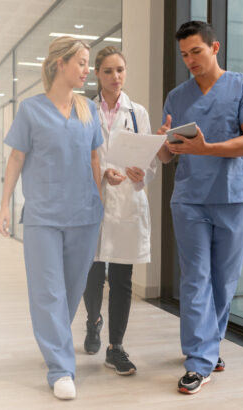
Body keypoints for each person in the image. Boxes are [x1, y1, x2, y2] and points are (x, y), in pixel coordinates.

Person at [157, 21, 243, 394]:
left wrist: (207, 149)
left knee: (224, 281)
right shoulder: (176, 96)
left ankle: (209, 344)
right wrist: (162, 145)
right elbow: (168, 157)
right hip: (189, 198)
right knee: (194, 278)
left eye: (196, 52)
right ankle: (199, 360)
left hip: (232, 196)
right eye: (184, 54)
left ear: (215, 47)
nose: (190, 60)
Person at [0, 36, 103, 400]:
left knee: (70, 293)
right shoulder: (31, 110)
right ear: (62, 63)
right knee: (48, 293)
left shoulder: (89, 110)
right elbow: (16, 159)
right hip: (43, 215)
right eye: (82, 62)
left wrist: (102, 198)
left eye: (88, 63)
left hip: (85, 215)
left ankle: (54, 345)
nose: (87, 69)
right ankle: (61, 368)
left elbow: (94, 161)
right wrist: (5, 204)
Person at [82, 47, 171, 375]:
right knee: (92, 277)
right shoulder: (85, 112)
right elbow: (82, 155)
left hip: (128, 202)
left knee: (121, 279)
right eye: (108, 71)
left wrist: (142, 173)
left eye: (120, 70)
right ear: (97, 74)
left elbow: (149, 159)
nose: (115, 77)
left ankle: (115, 347)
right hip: (96, 201)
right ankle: (93, 321)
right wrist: (103, 171)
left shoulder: (138, 113)